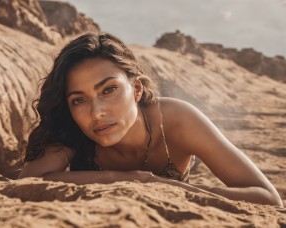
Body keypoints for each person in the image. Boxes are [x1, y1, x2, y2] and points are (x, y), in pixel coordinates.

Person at [19, 32, 283, 207]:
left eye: (109, 89)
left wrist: (162, 186)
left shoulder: (177, 119)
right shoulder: (71, 127)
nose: (96, 111)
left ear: (136, 90)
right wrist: (131, 179)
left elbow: (268, 198)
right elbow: (29, 181)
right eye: (78, 99)